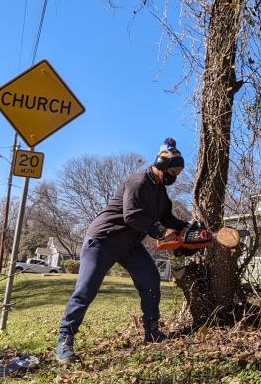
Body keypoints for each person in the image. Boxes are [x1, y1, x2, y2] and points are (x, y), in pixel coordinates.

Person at [55, 137, 188, 362]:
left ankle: (152, 330)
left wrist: (186, 227)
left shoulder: (160, 193)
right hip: (103, 240)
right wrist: (160, 232)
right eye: (173, 170)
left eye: (178, 171)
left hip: (130, 245)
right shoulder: (138, 182)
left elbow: (166, 217)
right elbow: (132, 215)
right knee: (86, 289)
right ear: (162, 165)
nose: (174, 176)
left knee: (150, 280)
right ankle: (65, 337)